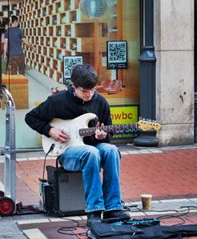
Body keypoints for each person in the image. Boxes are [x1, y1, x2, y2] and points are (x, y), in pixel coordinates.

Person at [25, 64, 130, 227]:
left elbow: (108, 137)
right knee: (91, 153)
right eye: (84, 91)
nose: (89, 95)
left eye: (92, 90)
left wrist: (103, 136)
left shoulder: (101, 102)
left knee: (111, 151)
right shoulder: (57, 101)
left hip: (93, 148)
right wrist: (50, 130)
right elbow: (30, 118)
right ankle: (94, 210)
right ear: (73, 87)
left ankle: (113, 208)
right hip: (67, 151)